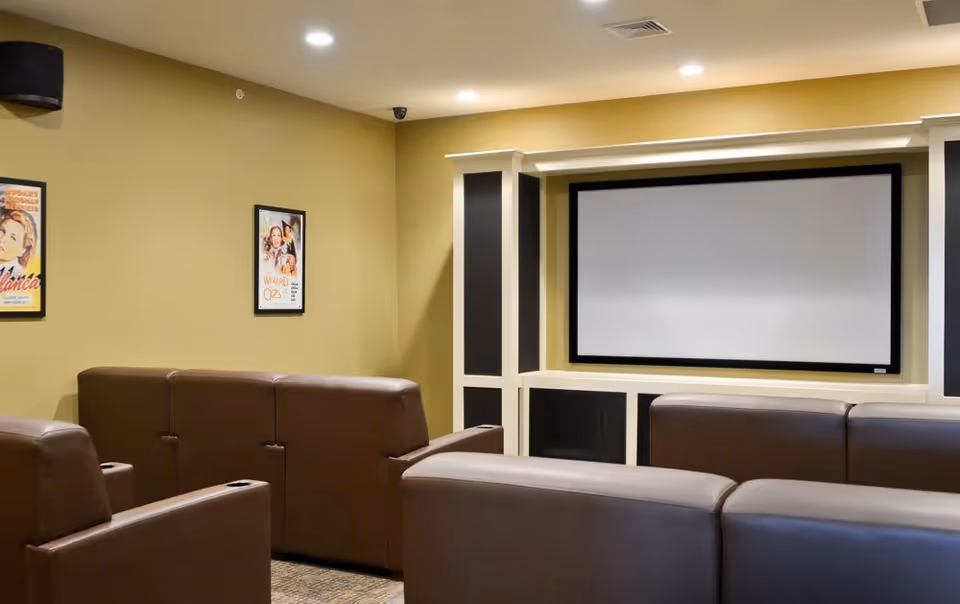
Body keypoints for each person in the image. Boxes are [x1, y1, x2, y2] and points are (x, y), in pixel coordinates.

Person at [0, 210, 38, 279]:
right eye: (2, 231)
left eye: (12, 238)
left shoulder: (14, 275)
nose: (2, 239)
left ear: (24, 250)